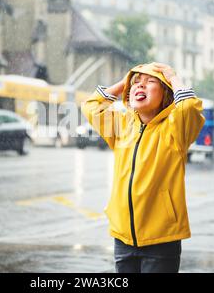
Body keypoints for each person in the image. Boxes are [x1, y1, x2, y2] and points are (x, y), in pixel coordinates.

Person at [81, 62, 205, 273]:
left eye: (150, 82)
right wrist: (124, 84)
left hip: (161, 240)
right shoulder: (122, 126)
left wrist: (172, 77)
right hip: (123, 237)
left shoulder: (175, 130)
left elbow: (189, 107)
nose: (140, 86)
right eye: (137, 83)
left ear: (165, 94)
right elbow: (91, 106)